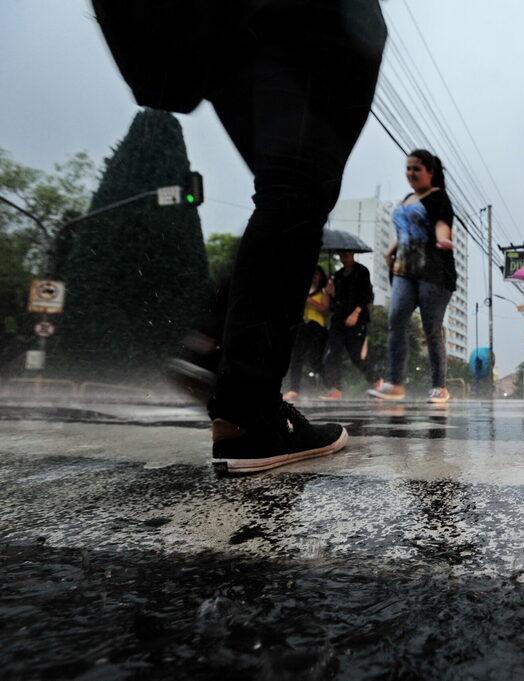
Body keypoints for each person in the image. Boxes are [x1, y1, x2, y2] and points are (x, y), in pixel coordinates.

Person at [91, 0, 387, 473]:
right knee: (297, 189)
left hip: (220, 28)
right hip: (292, 18)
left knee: (289, 190)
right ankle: (245, 406)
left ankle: (215, 355)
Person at [368, 149, 456, 404]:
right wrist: (390, 251)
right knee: (396, 319)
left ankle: (439, 386)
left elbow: (441, 225)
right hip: (404, 271)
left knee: (431, 329)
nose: (410, 173)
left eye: (416, 168)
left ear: (430, 172)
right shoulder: (407, 198)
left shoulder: (439, 197)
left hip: (433, 273)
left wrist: (443, 240)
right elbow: (405, 229)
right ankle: (395, 383)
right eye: (408, 168)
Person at [320, 250, 379, 399]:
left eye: (346, 255)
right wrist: (330, 293)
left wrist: (356, 313)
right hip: (338, 319)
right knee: (333, 354)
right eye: (341, 255)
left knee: (356, 355)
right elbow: (336, 301)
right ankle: (336, 389)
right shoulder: (338, 275)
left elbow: (367, 295)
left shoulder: (361, 272)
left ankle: (376, 380)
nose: (343, 258)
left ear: (353, 254)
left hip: (357, 319)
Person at [283, 266, 330, 400]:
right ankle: (294, 389)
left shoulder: (323, 291)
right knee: (297, 357)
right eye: (312, 274)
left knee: (315, 359)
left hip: (317, 328)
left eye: (316, 274)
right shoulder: (301, 292)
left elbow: (326, 311)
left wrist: (311, 301)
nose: (314, 276)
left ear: (320, 277)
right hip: (303, 327)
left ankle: (330, 386)